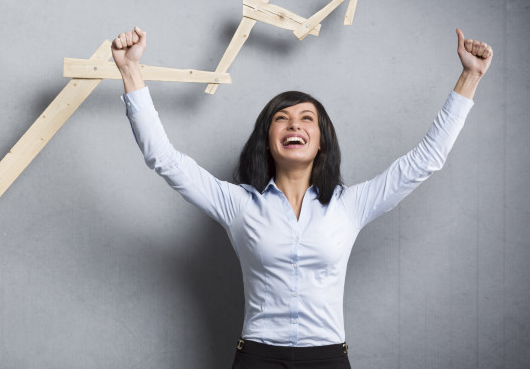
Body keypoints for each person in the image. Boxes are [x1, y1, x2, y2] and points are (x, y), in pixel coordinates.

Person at [110, 26, 493, 369]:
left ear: (321, 140)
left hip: (327, 359)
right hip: (257, 358)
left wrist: (470, 76)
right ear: (268, 140)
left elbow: (426, 160)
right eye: (282, 117)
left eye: (306, 118)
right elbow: (162, 157)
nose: (294, 123)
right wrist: (130, 70)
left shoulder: (349, 206)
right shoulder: (238, 205)